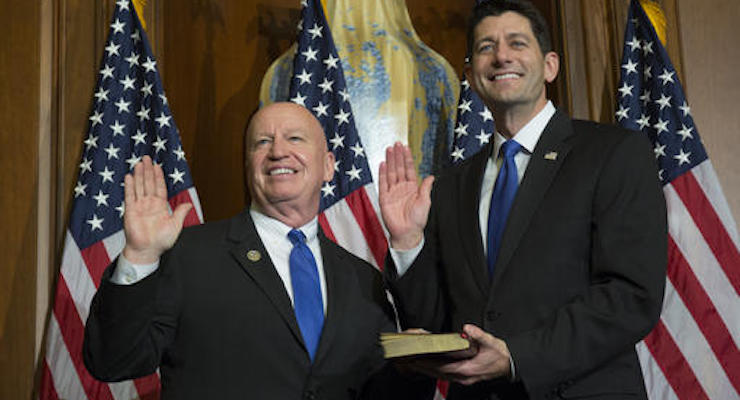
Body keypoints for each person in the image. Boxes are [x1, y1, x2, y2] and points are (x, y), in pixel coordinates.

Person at [379, 1, 667, 398]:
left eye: (517, 43)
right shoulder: (450, 184)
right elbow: (436, 321)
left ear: (550, 65)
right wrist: (408, 241)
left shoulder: (613, 154)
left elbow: (631, 296)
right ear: (470, 75)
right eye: (485, 47)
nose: (501, 56)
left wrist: (518, 356)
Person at [84, 102, 402, 399]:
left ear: (328, 166)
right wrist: (140, 256)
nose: (278, 151)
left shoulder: (363, 280)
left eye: (294, 138)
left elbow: (390, 389)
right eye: (262, 142)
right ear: (248, 164)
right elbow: (113, 361)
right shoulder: (188, 256)